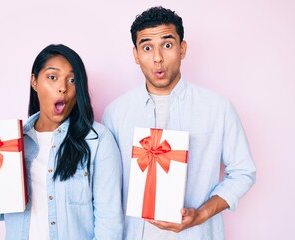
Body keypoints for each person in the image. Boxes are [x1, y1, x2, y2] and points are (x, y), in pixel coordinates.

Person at [102, 6, 256, 240]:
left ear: (182, 49)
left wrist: (202, 214)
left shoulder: (218, 107)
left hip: (197, 234)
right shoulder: (115, 113)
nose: (157, 58)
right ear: (135, 54)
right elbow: (107, 185)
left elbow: (243, 172)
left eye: (167, 45)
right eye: (146, 47)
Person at [0, 44, 123, 240]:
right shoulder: (12, 143)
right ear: (34, 81)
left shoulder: (98, 140)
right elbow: (2, 212)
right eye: (53, 77)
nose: (63, 87)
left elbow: (109, 225)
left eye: (72, 80)